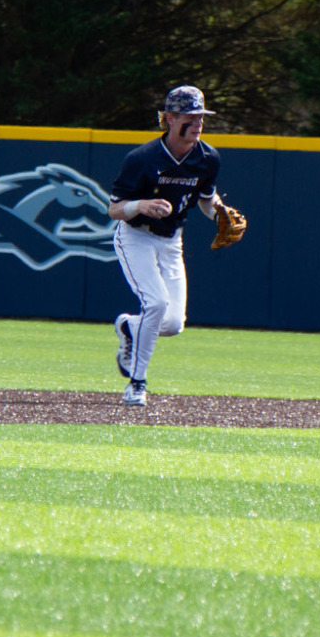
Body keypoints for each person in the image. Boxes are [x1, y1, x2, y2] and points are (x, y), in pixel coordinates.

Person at [108, 85, 230, 406]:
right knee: (157, 304)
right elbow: (114, 209)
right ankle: (137, 383)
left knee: (174, 324)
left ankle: (129, 327)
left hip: (170, 240)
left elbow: (205, 200)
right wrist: (142, 205)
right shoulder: (142, 159)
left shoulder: (207, 158)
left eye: (201, 116)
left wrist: (219, 212)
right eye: (191, 116)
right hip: (135, 236)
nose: (198, 122)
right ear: (170, 119)